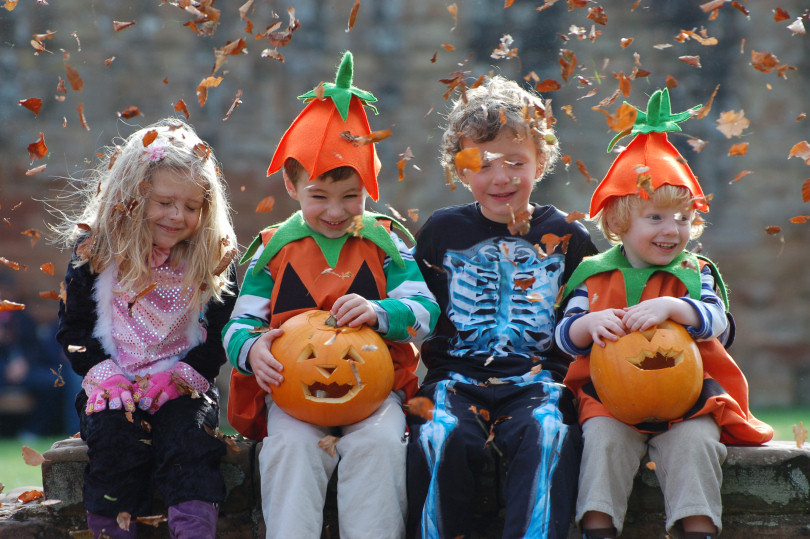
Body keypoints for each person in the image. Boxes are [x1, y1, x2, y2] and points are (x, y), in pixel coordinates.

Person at [223, 51, 440, 539]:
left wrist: (381, 311)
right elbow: (238, 325)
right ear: (292, 185)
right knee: (289, 450)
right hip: (293, 396)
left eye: (351, 197)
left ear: (368, 190)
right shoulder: (271, 249)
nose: (336, 212)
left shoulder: (387, 240)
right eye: (319, 196)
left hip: (373, 393)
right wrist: (252, 349)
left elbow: (427, 312)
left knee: (381, 446)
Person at [555, 89, 773, 539]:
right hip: (611, 402)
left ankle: (697, 529)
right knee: (601, 444)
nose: (672, 230)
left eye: (682, 219)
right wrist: (588, 324)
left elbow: (720, 326)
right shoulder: (594, 276)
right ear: (618, 223)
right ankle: (598, 528)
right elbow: (562, 335)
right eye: (655, 217)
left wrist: (676, 308)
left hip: (688, 404)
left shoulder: (695, 275)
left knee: (696, 447)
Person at [407, 75, 598, 539]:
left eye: (517, 162)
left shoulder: (572, 239)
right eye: (484, 163)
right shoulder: (441, 231)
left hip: (541, 379)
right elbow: (418, 309)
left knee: (551, 432)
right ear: (461, 167)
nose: (501, 177)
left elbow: (590, 311)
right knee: (436, 436)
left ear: (541, 161)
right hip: (455, 377)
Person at [55, 118, 238, 539]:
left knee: (189, 442)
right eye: (165, 203)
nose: (178, 216)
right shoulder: (95, 253)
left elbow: (222, 330)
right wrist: (106, 375)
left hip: (182, 385)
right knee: (115, 439)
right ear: (131, 198)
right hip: (113, 384)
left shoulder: (211, 258)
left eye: (193, 207)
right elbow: (75, 330)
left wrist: (181, 376)